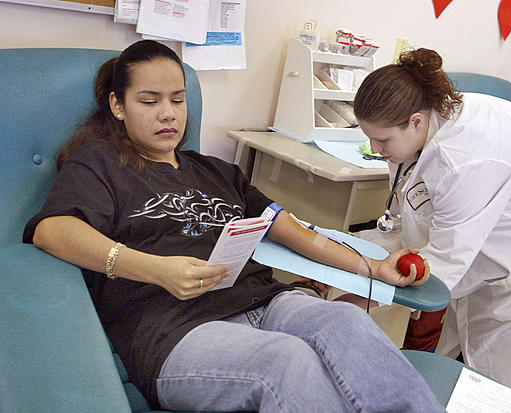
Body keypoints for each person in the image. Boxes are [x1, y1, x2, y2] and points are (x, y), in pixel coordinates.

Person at [22, 40, 444, 413]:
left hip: (263, 301)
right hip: (173, 329)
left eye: (177, 99)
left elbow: (296, 234)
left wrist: (371, 268)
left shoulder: (216, 171)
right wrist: (156, 269)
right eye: (149, 101)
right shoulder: (99, 163)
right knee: (287, 361)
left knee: (347, 323)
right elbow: (53, 230)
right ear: (118, 106)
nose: (168, 114)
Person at [352, 47, 511, 401]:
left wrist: (365, 295)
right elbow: (417, 222)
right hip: (505, 219)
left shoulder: (461, 159)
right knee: (470, 342)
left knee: (505, 373)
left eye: (382, 140)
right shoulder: (423, 127)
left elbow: (440, 269)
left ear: (415, 120)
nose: (375, 147)